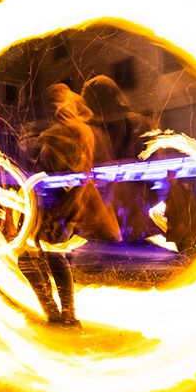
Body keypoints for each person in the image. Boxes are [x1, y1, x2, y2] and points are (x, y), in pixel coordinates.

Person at [23, 85, 119, 326]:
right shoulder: (69, 130)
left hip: (63, 205)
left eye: (58, 103)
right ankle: (61, 311)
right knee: (48, 256)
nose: (55, 109)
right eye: (52, 104)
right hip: (57, 204)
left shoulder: (72, 131)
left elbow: (66, 168)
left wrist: (35, 140)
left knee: (44, 256)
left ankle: (62, 313)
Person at [82, 75, 157, 241]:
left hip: (130, 203)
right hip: (118, 206)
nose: (88, 106)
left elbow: (152, 162)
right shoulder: (94, 127)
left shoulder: (136, 123)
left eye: (90, 100)